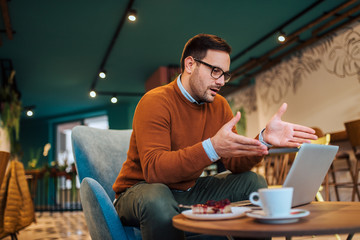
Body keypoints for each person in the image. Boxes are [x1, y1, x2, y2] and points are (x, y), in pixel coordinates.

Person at [112, 33, 317, 240]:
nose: (220, 82)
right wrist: (212, 148)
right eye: (215, 71)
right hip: (139, 191)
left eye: (225, 75)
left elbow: (236, 164)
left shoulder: (219, 105)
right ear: (190, 65)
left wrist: (262, 140)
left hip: (188, 191)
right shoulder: (155, 101)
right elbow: (155, 172)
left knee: (252, 182)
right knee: (156, 197)